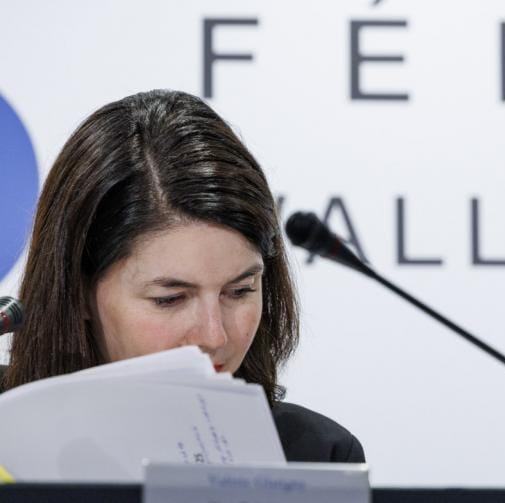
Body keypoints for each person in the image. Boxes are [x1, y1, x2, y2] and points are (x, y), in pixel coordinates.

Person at [0, 89, 364, 463]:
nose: (214, 336)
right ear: (78, 291)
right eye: (170, 299)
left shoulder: (318, 457)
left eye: (240, 291)